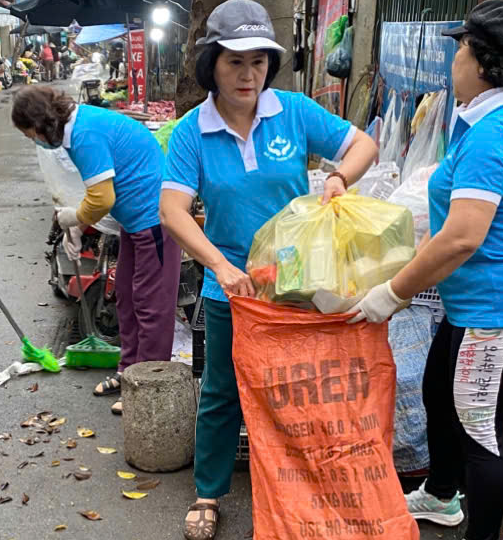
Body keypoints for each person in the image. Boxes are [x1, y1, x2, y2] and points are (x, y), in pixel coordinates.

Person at [157, 1, 379, 538]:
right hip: (230, 289)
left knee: (300, 390)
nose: (248, 74)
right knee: (222, 392)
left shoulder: (294, 111)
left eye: (259, 62)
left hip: (299, 285)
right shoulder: (193, 132)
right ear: (212, 64)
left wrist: (338, 178)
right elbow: (171, 211)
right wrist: (220, 267)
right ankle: (209, 494)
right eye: (235, 62)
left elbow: (363, 144)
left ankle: (298, 488)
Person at [345, 2, 503, 539]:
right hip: (475, 304)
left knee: (480, 431)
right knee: (440, 389)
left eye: (461, 47)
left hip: (496, 309)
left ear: (484, 62)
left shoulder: (495, 132)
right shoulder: (489, 118)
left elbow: (462, 236)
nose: (453, 56)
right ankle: (441, 494)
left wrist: (390, 294)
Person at [12, 85, 181, 415]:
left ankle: (148, 386)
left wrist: (73, 218)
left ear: (43, 122)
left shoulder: (85, 134)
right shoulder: (79, 129)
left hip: (155, 221)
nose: (32, 140)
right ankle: (128, 371)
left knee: (152, 306)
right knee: (127, 298)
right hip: (135, 224)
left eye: (29, 133)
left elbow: (102, 198)